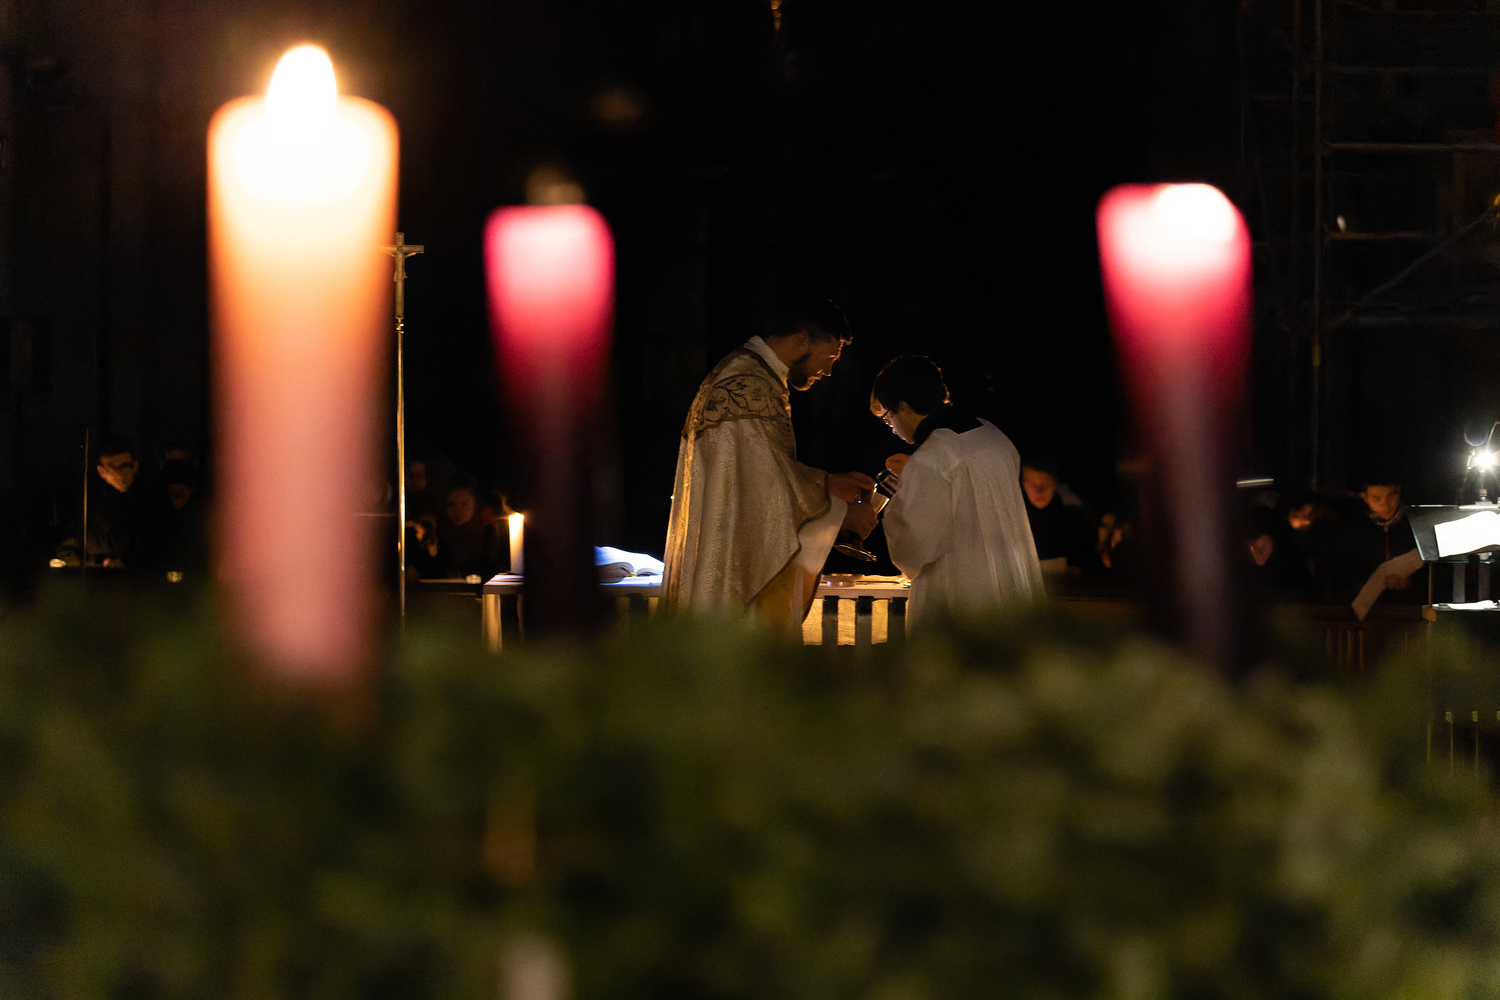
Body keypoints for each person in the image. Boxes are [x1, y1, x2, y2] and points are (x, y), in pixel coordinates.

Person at [662, 297, 878, 631]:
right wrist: (840, 513)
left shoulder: (748, 374)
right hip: (731, 566)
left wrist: (825, 482)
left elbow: (762, 469)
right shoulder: (750, 386)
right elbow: (764, 488)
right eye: (830, 356)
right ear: (802, 340)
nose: (829, 370)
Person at [871, 355, 1044, 622]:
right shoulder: (991, 435)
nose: (892, 429)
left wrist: (900, 497)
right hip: (1011, 583)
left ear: (903, 407)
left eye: (888, 417)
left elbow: (913, 548)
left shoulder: (931, 458)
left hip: (959, 599)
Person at [1020, 456, 1103, 578]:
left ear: (1055, 484)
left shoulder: (1076, 522)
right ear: (1023, 484)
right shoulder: (1013, 521)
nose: (1039, 491)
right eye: (1033, 485)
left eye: (1046, 484)